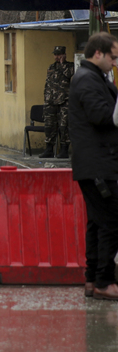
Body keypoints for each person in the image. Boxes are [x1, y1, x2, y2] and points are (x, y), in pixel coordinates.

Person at [69, 32, 118, 301]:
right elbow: (102, 115)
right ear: (98, 53)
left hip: (95, 164)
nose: (115, 62)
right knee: (111, 221)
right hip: (99, 165)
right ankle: (104, 280)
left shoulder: (94, 77)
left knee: (98, 223)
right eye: (113, 57)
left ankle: (92, 278)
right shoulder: (88, 80)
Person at [40, 45, 74, 158]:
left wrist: (63, 63)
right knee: (49, 126)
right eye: (55, 54)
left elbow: (69, 75)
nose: (57, 57)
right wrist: (46, 98)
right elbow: (48, 84)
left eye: (59, 54)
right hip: (51, 101)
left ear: (64, 54)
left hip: (64, 101)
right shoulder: (51, 67)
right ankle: (49, 149)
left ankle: (64, 150)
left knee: (64, 126)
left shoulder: (69, 66)